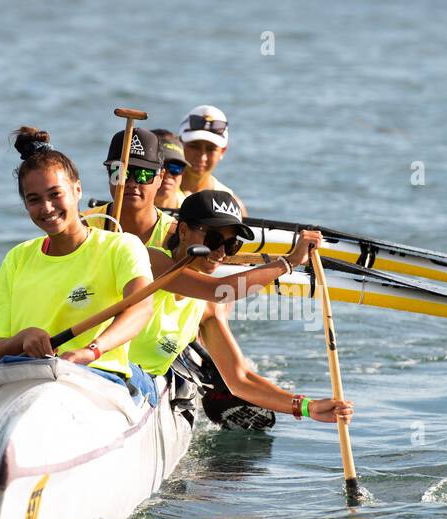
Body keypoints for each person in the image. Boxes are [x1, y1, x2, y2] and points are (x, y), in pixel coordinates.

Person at [130, 190, 354, 426]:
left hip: (141, 392)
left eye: (231, 244)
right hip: (106, 376)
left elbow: (240, 379)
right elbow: (219, 290)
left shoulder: (207, 308)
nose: (221, 253)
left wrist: (308, 407)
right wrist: (289, 262)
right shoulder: (150, 261)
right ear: (183, 231)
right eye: (214, 240)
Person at [0, 127, 155, 399]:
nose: (47, 208)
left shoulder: (121, 246)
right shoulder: (17, 258)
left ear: (77, 189)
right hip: (27, 381)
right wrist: (23, 337)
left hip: (99, 379)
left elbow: (141, 309)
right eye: (34, 200)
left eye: (55, 194)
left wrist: (90, 351)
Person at [83, 127, 174, 249]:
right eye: (121, 173)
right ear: (108, 174)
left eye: (143, 174)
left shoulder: (174, 235)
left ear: (161, 177)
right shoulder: (83, 226)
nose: (131, 183)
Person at [179, 105, 245, 211]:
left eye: (211, 149)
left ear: (223, 151)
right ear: (180, 143)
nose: (202, 156)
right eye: (194, 146)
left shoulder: (232, 206)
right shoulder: (152, 191)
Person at [152, 129, 188, 209]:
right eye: (160, 166)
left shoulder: (193, 209)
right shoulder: (120, 209)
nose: (166, 174)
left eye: (176, 167)